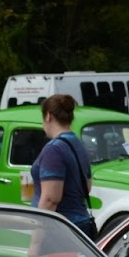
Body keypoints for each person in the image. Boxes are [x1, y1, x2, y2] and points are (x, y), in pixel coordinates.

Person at [27, 94, 96, 247]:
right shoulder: (78, 143)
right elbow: (88, 186)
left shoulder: (54, 149)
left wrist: (35, 243)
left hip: (59, 232)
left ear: (48, 116)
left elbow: (51, 199)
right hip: (81, 226)